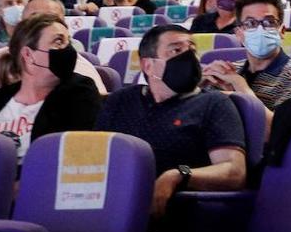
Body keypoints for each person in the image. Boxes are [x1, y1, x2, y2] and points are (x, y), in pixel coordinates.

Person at [97, 25, 248, 217]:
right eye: (176, 50)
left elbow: (234, 171)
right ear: (148, 65)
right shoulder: (120, 101)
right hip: (115, 203)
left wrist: (178, 175)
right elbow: (99, 158)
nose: (188, 57)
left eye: (192, 49)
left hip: (182, 211)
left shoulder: (214, 103)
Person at [0, 14, 101, 160]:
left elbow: (69, 157)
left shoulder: (79, 93)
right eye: (58, 41)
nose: (68, 49)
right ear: (28, 55)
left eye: (68, 41)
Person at [203, 0, 291, 137]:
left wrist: (241, 86)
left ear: (282, 31)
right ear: (239, 33)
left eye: (269, 22)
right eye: (250, 23)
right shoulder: (231, 70)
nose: (260, 29)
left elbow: (278, 133)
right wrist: (198, 86)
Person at [0, 0, 106, 94]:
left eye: (50, 19)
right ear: (22, 24)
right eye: (34, 18)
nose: (42, 25)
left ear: (63, 26)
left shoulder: (79, 66)